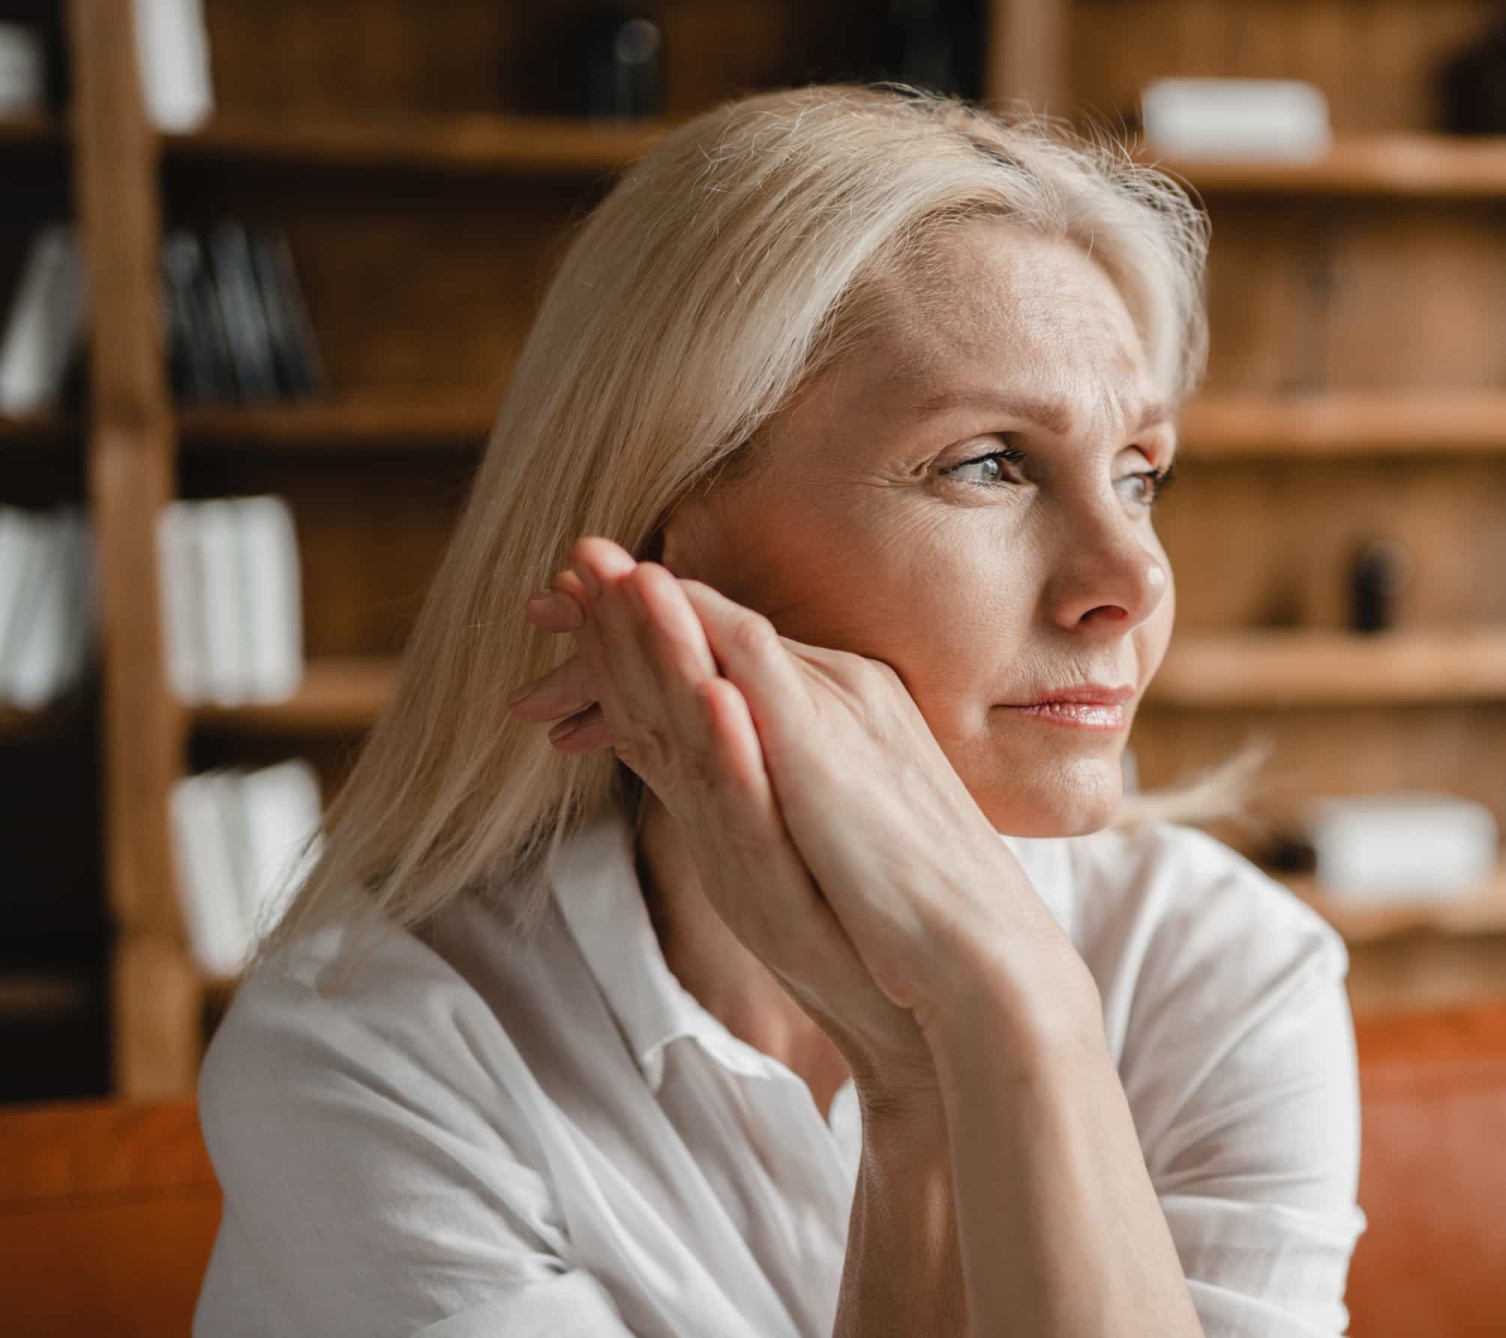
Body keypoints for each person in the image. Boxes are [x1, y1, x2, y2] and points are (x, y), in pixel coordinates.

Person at [192, 82, 1365, 1338]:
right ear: (670, 554)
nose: (1133, 580)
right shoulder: (373, 1054)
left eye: (1141, 475)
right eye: (989, 463)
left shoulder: (1221, 967)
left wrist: (1022, 1013)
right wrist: (942, 1069)